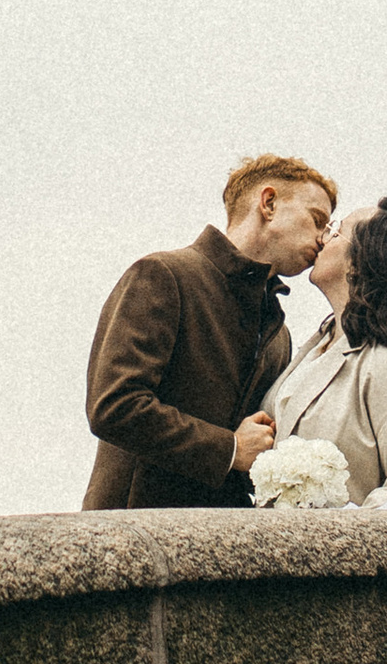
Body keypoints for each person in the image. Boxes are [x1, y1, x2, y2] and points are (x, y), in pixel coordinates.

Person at [83, 156, 337, 508]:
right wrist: (230, 449)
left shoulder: (280, 335)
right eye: (317, 220)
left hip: (230, 545)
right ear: (269, 203)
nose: (324, 239)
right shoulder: (163, 275)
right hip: (135, 538)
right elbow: (114, 406)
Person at [266, 199, 387, 510]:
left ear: (361, 262)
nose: (321, 238)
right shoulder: (315, 346)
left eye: (336, 232)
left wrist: (341, 529)